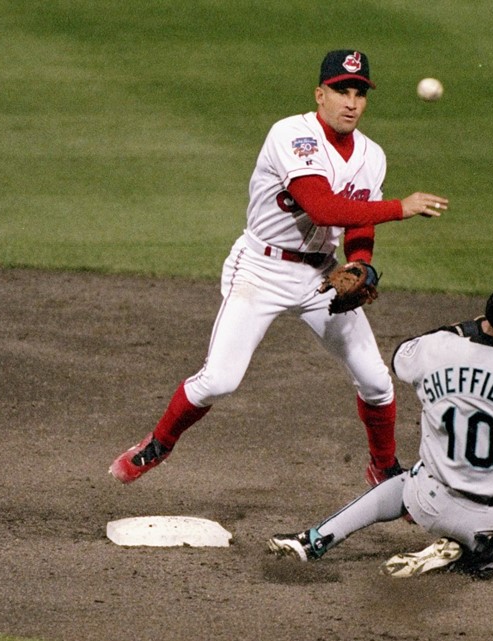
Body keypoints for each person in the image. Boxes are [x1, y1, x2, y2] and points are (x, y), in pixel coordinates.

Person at [109, 50, 450, 487]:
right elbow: (322, 207)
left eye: (359, 93)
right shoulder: (292, 134)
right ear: (320, 94)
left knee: (377, 382)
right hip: (261, 271)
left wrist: (361, 263)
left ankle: (383, 470)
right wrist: (402, 208)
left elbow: (358, 217)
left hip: (320, 277)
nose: (351, 102)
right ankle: (155, 445)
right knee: (219, 381)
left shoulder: (371, 155)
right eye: (341, 91)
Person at [266, 265, 493, 577]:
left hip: (427, 500)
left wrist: (471, 329)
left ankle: (314, 539)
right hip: (489, 524)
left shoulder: (440, 350)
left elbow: (402, 356)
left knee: (404, 481)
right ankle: (470, 553)